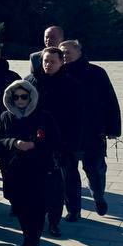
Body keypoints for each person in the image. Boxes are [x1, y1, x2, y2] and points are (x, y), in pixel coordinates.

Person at [0, 79, 60, 246]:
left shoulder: (44, 116)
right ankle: (27, 236)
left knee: (38, 207)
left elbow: (55, 141)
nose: (20, 100)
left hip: (39, 169)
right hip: (15, 170)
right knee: (20, 207)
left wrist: (35, 145)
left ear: (31, 96)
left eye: (24, 96)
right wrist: (14, 143)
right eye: (15, 97)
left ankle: (35, 242)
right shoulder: (6, 117)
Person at [26, 46, 85, 232]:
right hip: (37, 140)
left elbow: (77, 117)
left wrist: (71, 143)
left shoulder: (71, 84)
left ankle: (72, 209)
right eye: (45, 61)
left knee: (66, 178)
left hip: (63, 141)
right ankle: (43, 215)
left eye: (52, 61)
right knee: (39, 182)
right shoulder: (31, 82)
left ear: (61, 62)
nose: (48, 65)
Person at [62, 39, 121, 216]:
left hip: (93, 132)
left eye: (68, 52)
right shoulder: (59, 73)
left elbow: (110, 101)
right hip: (67, 135)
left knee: (95, 170)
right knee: (68, 174)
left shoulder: (96, 72)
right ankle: (73, 210)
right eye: (62, 52)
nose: (64, 55)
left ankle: (98, 196)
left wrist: (113, 128)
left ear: (79, 51)